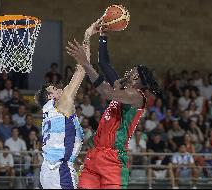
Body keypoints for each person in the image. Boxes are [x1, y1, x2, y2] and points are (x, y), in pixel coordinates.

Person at [67, 19, 161, 189]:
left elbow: (106, 92)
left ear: (136, 78)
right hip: (96, 154)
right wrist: (103, 36)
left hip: (113, 160)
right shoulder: (122, 88)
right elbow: (104, 63)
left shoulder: (136, 96)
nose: (127, 72)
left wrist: (86, 64)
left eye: (131, 71)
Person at [37, 34, 87, 189]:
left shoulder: (48, 111)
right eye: (55, 89)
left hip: (48, 170)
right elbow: (82, 69)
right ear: (50, 96)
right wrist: (87, 35)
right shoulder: (60, 104)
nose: (59, 90)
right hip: (59, 170)